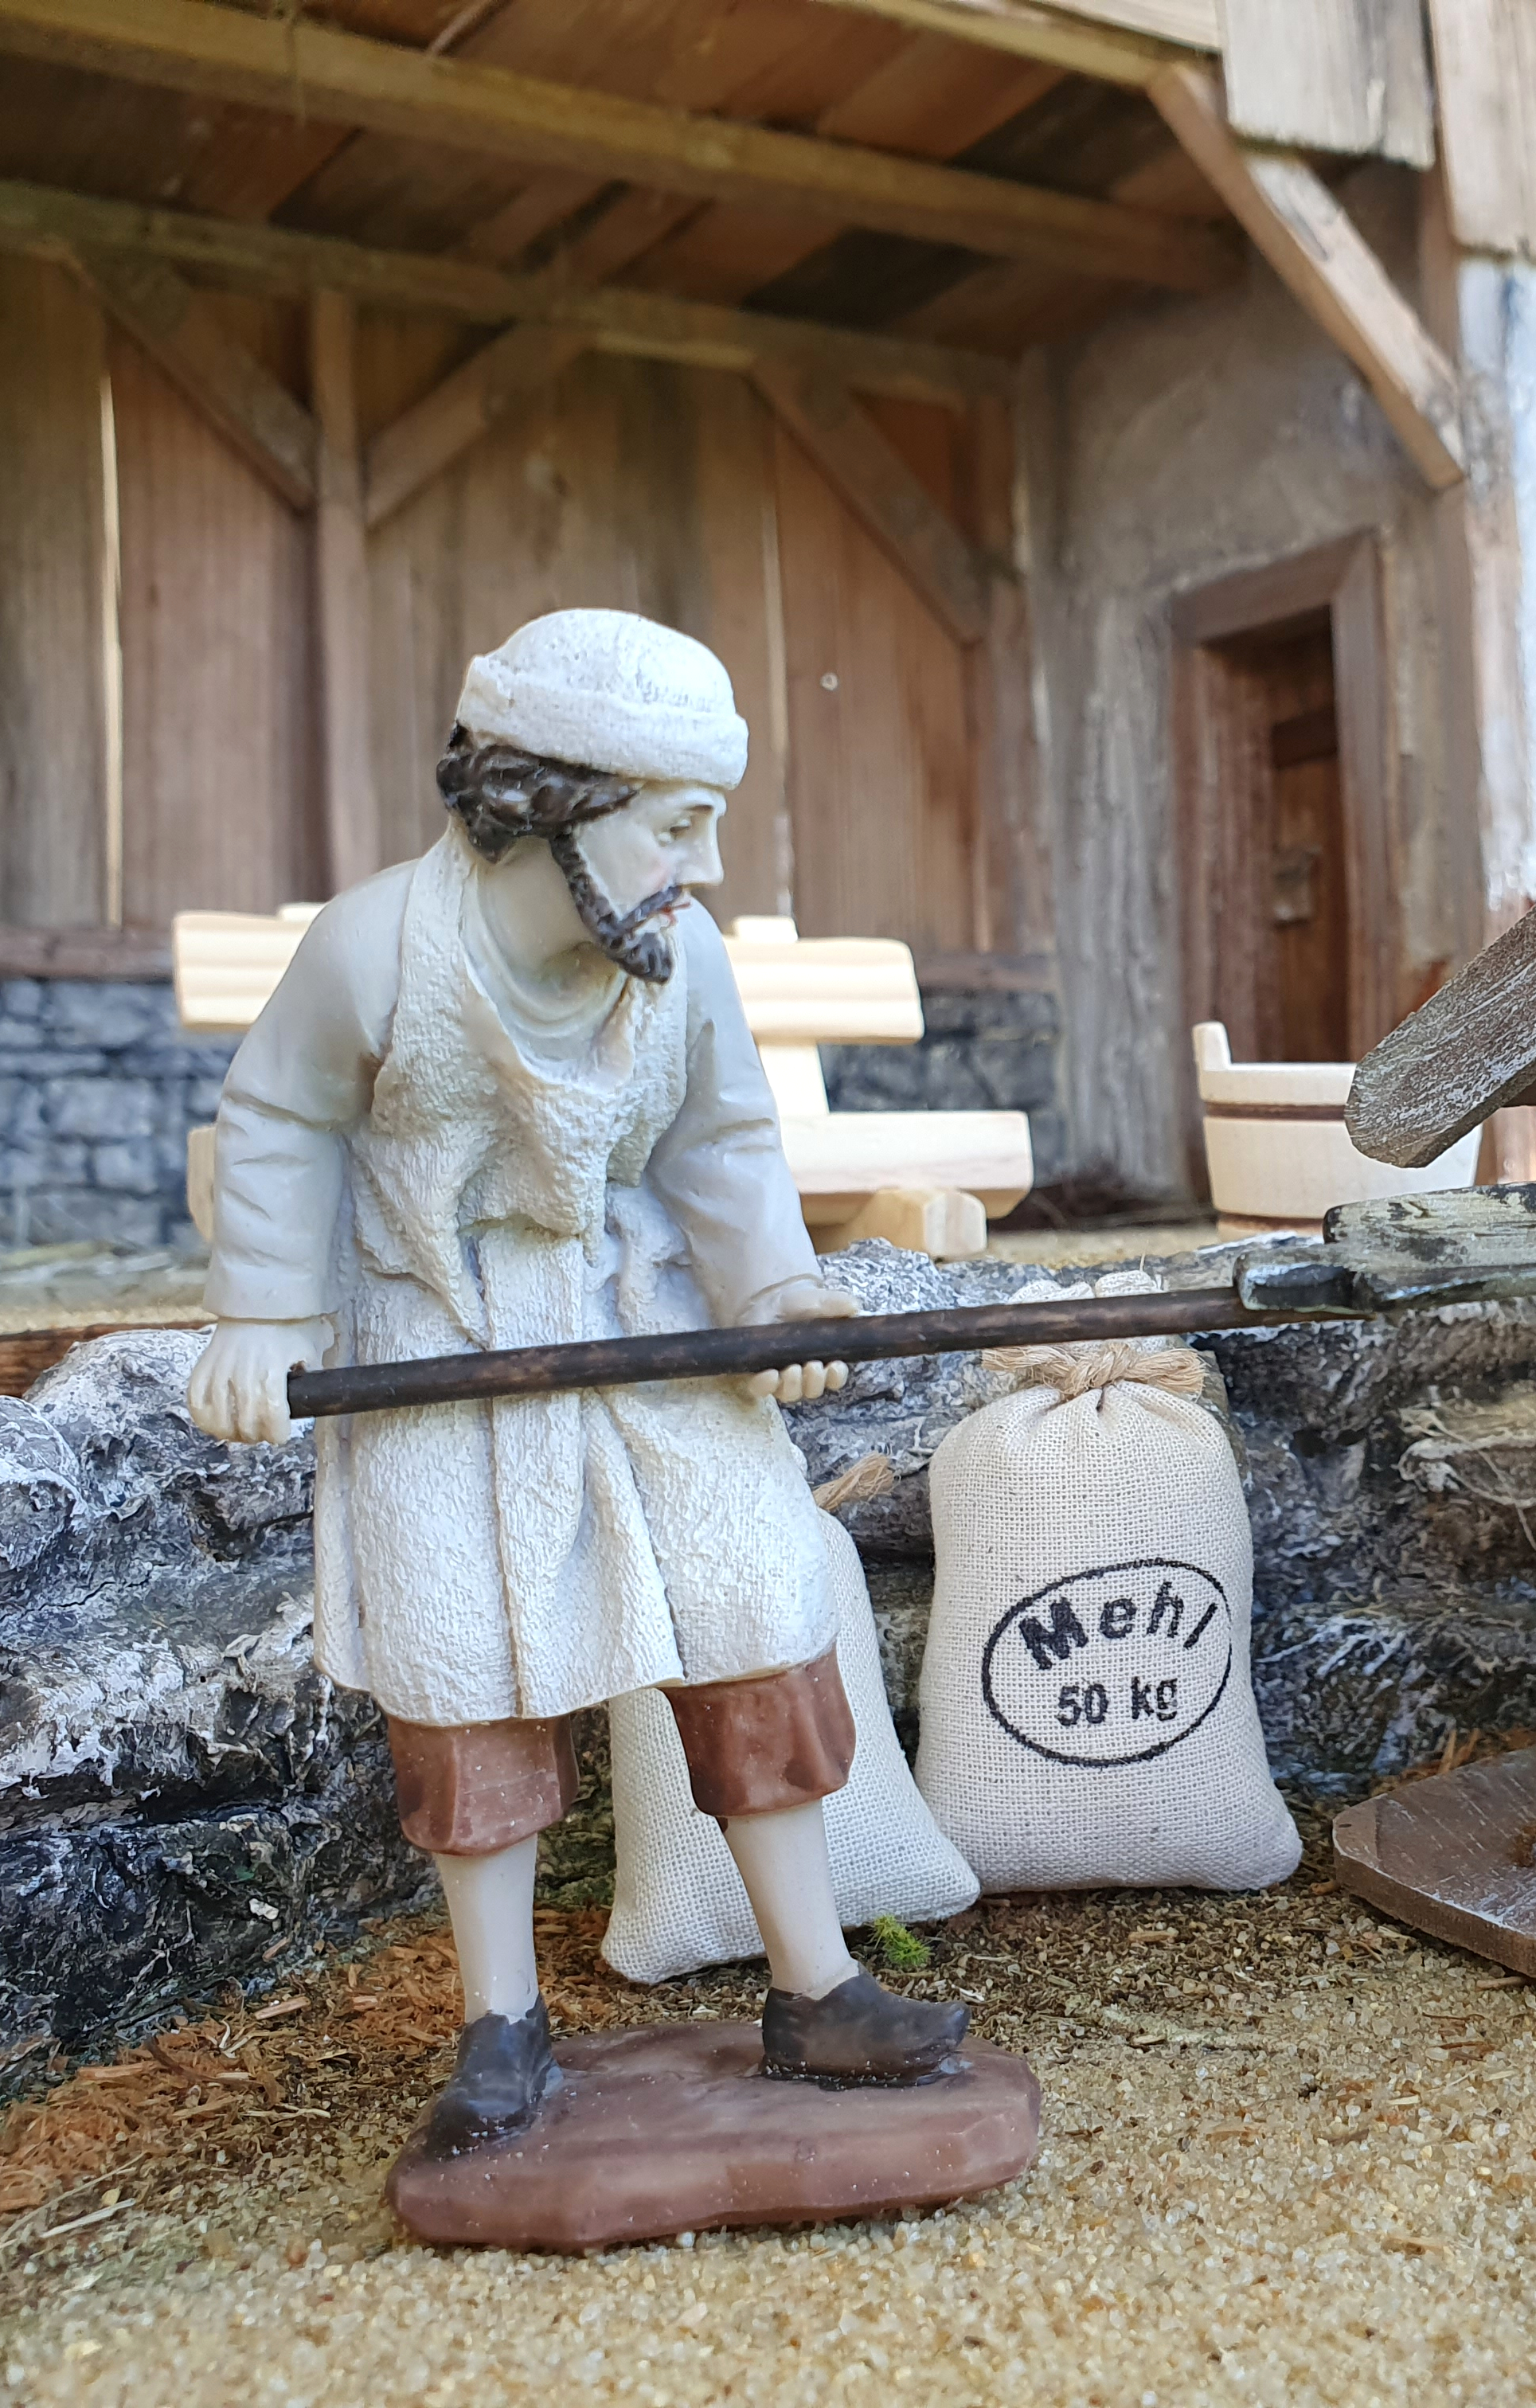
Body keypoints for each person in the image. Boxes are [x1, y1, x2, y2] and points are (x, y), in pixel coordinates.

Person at [185, 608, 966, 2151]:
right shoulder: (371, 949)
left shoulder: (683, 963)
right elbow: (276, 1122)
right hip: (443, 1354)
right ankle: (501, 2025)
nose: (710, 861)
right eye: (682, 823)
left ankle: (817, 1989)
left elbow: (723, 1143)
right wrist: (264, 1314)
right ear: (560, 806)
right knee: (465, 1668)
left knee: (754, 1609)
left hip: (644, 1326)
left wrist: (775, 1293)